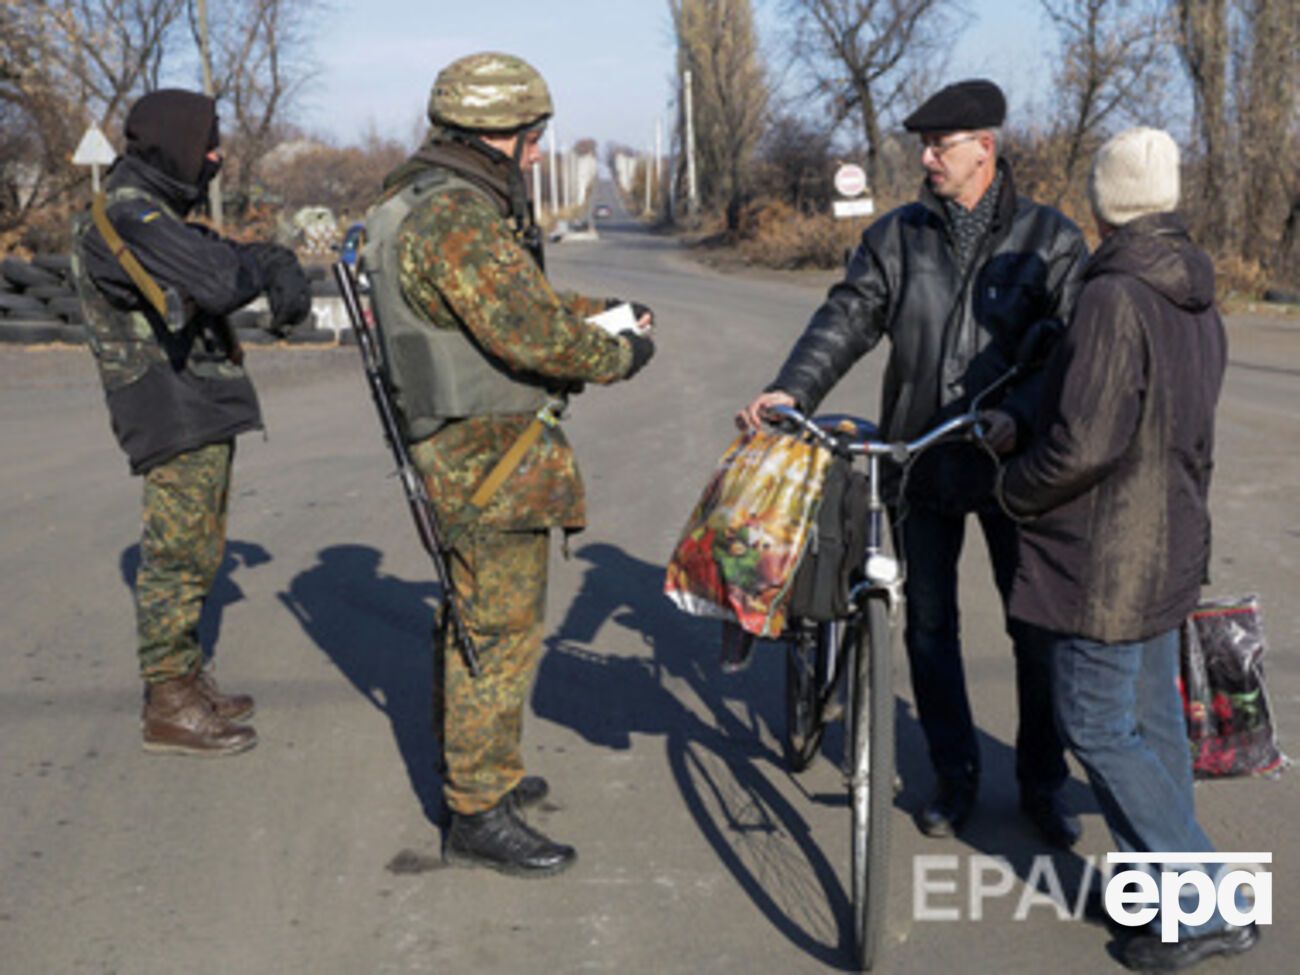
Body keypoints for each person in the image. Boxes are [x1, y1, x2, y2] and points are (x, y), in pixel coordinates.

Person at [738, 79, 1088, 846]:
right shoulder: (898, 237)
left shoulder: (1051, 239)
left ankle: (1041, 781)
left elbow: (1066, 357)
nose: (925, 157)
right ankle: (954, 776)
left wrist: (1018, 416)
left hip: (1009, 466)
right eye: (923, 145)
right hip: (918, 456)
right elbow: (847, 317)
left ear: (983, 148)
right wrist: (790, 389)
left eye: (940, 145)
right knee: (928, 625)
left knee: (1034, 629)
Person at [364, 52, 655, 877]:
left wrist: (605, 313)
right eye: (531, 139)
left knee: (482, 622)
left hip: (473, 445)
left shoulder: (422, 199)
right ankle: (477, 807)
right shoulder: (455, 216)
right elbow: (530, 334)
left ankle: (484, 774)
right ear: (498, 133)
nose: (536, 154)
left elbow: (515, 301)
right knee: (496, 629)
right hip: (484, 453)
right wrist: (617, 352)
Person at [994, 128, 1258, 971]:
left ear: (1105, 202)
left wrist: (1013, 484)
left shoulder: (1113, 296)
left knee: (1099, 725)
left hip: (1108, 556)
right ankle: (1165, 892)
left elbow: (1087, 444)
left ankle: (1210, 901)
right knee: (1150, 725)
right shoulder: (1192, 292)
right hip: (1168, 541)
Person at [71, 89, 312, 756]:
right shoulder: (128, 214)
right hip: (166, 404)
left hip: (194, 399)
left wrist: (268, 258)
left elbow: (213, 255)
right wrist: (259, 265)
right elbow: (216, 279)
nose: (215, 155)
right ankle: (169, 702)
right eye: (206, 142)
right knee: (177, 557)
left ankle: (186, 678)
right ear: (174, 142)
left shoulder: (154, 212)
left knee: (202, 547)